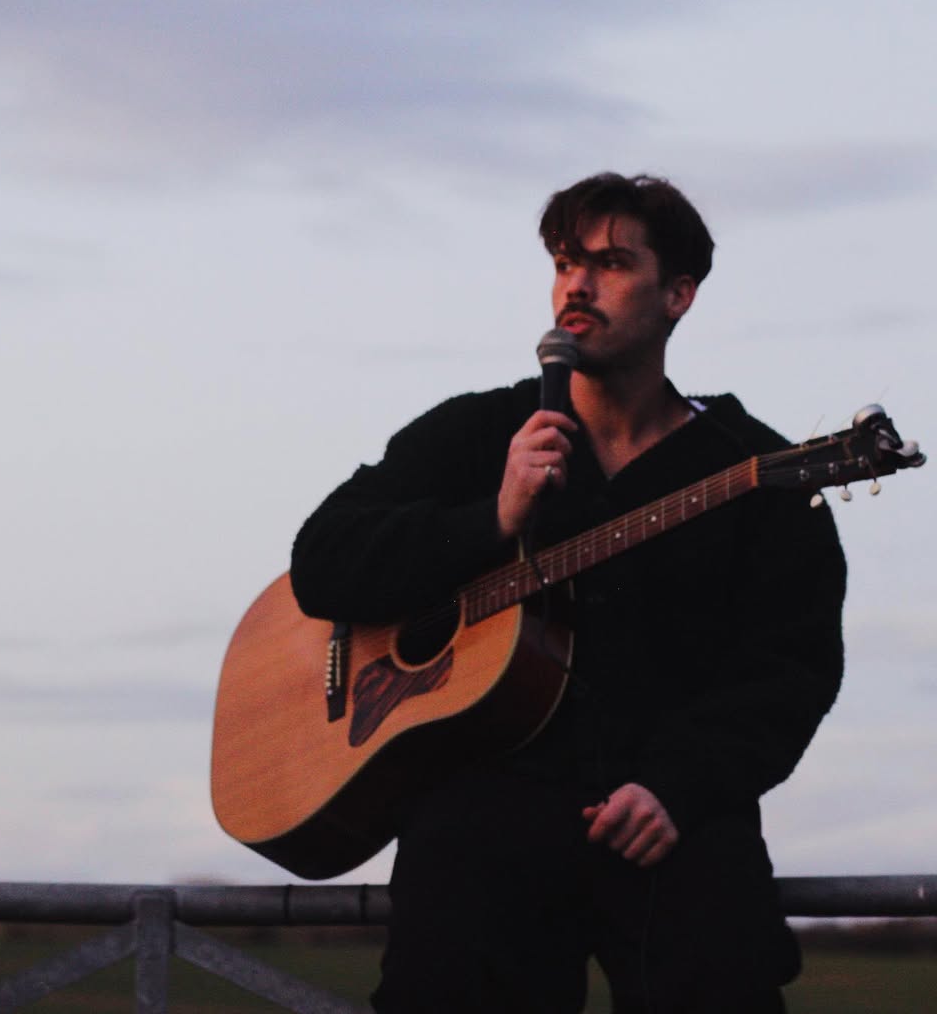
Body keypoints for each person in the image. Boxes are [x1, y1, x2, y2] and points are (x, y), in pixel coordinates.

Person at [289, 172, 846, 1013]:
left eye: (612, 263)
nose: (576, 286)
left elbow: (792, 666)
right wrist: (493, 516)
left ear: (679, 294)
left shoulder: (753, 469)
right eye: (564, 262)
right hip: (483, 819)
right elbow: (321, 559)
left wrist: (682, 785)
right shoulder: (479, 434)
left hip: (666, 820)